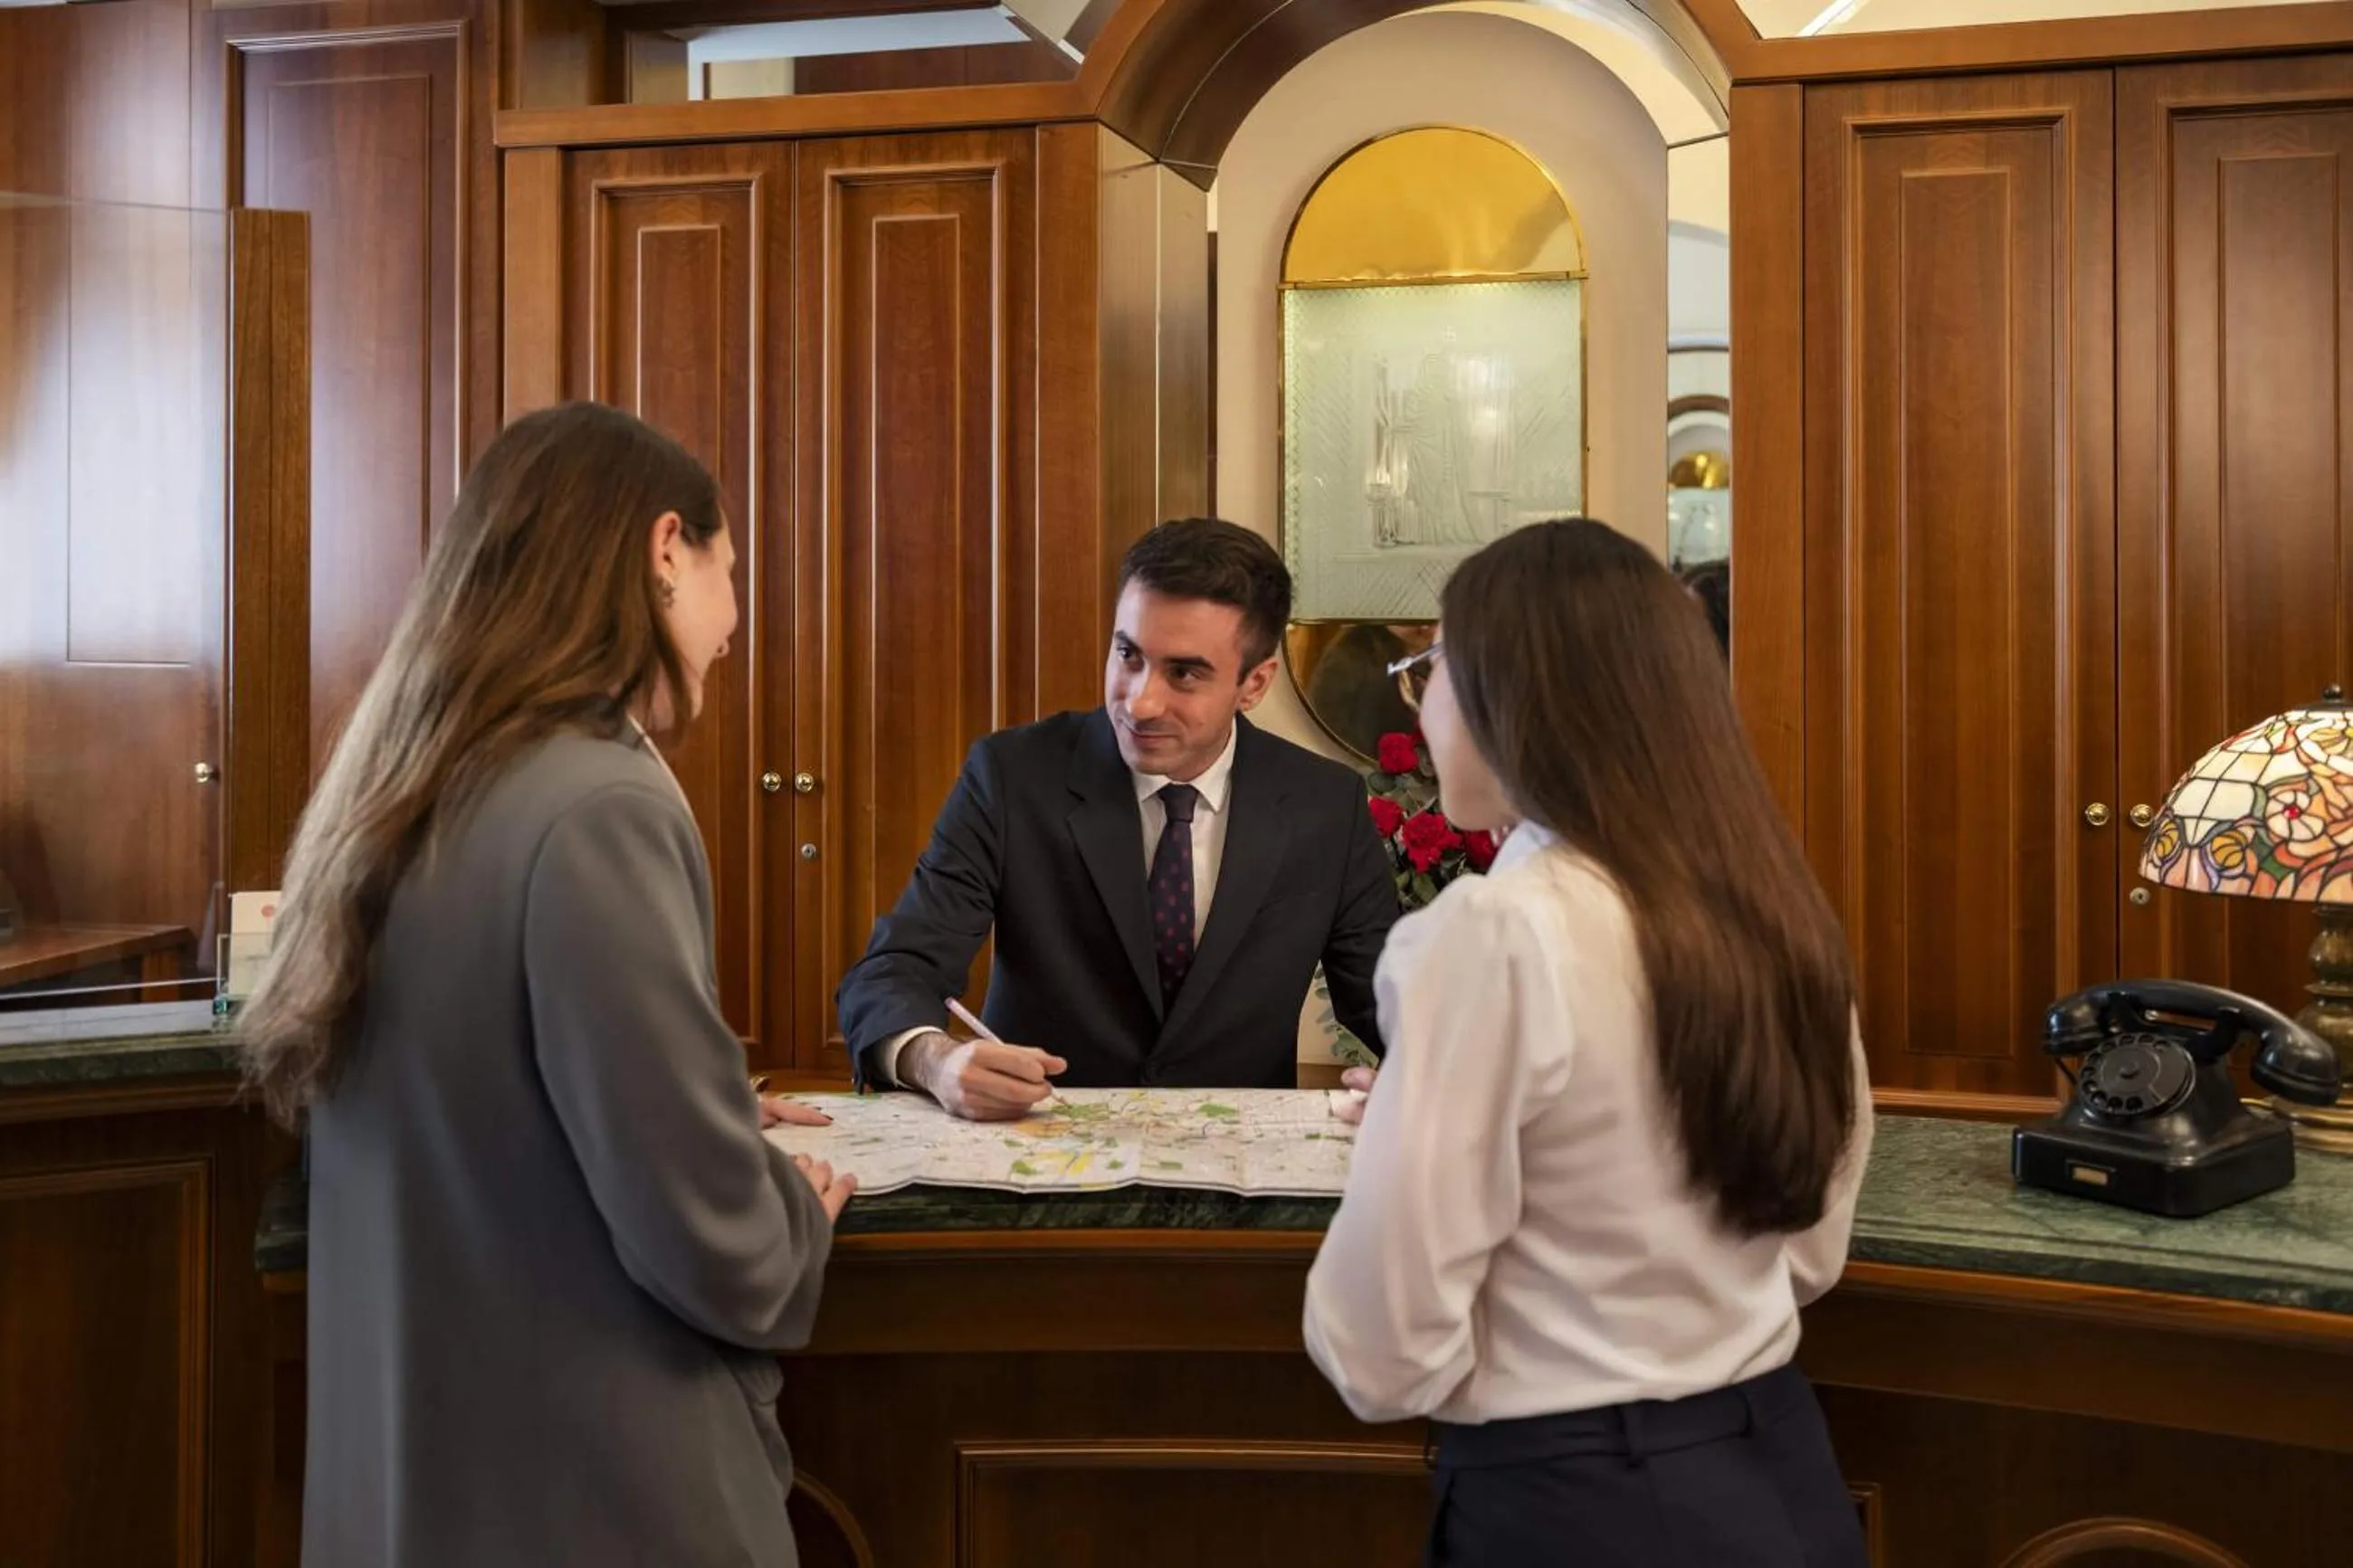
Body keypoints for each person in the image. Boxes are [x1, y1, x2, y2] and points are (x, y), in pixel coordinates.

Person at [238, 403, 853, 1568]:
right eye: (733, 572)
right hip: (583, 1485)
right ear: (665, 549)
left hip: (412, 1476)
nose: (733, 624)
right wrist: (786, 1208)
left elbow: (471, 1081)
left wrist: (700, 1090)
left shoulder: (408, 773)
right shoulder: (600, 802)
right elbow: (710, 1236)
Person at [1304, 518, 1872, 1567]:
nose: (1420, 700)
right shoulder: (1776, 912)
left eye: (1428, 666)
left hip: (1579, 1500)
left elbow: (1379, 1350)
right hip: (1781, 1470)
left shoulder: (1491, 935)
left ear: (1511, 695)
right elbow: (1802, 1250)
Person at [835, 518, 1402, 1119]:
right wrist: (935, 1059)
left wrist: (1431, 1081)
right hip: (1037, 1146)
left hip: (1235, 1170)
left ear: (1254, 683)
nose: (1139, 700)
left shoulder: (1326, 806)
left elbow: (1391, 1002)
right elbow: (893, 970)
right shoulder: (1010, 776)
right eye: (1127, 654)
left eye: (1184, 673)